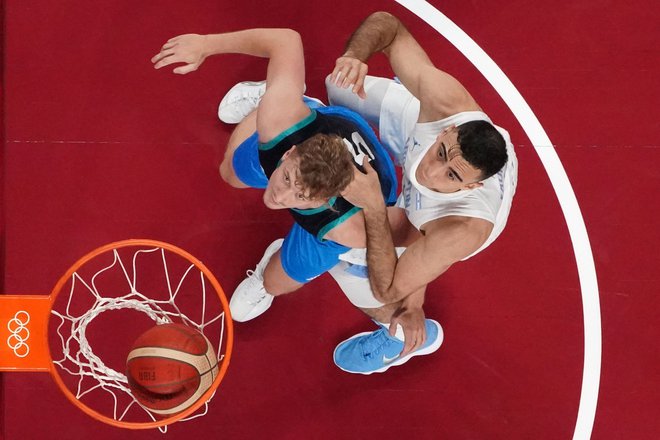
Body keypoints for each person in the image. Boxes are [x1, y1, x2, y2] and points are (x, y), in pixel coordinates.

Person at [318, 11, 518, 374]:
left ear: (470, 185)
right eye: (442, 153)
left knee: (345, 245)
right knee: (340, 84)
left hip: (434, 223)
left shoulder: (461, 227)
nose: (431, 170)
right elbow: (388, 25)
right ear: (447, 133)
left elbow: (389, 287)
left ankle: (403, 335)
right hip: (420, 128)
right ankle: (305, 111)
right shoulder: (445, 106)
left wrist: (376, 208)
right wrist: (355, 57)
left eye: (451, 174)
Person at [150, 29, 398, 320]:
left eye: (301, 195)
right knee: (229, 172)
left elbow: (404, 239)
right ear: (288, 154)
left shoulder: (347, 228)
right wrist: (206, 44)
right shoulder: (280, 123)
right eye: (288, 179)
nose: (281, 196)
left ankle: (263, 282)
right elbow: (287, 39)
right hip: (318, 124)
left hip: (360, 198)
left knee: (274, 283)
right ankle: (285, 95)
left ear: (329, 199)